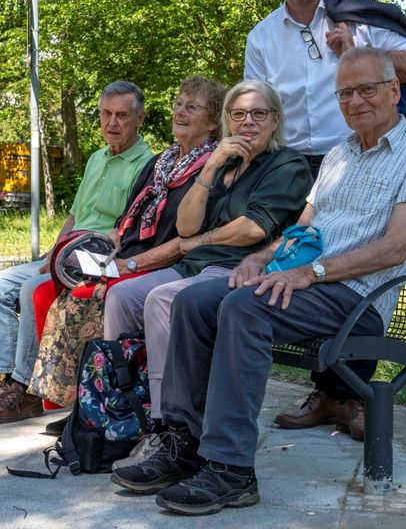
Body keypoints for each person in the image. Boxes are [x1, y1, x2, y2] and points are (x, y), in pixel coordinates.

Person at [111, 48, 406, 516]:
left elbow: (394, 248)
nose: (355, 101)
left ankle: (230, 470)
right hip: (308, 282)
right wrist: (260, 258)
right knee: (192, 300)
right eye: (345, 93)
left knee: (245, 309)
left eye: (366, 89)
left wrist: (311, 272)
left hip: (358, 297)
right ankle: (184, 442)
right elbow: (301, 229)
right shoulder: (339, 155)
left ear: (395, 90)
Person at [245, 0, 406, 428]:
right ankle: (326, 392)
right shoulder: (261, 37)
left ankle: (350, 395)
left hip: (359, 154)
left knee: (350, 262)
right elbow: (260, 106)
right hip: (291, 166)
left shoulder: (357, 16)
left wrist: (360, 50)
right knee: (294, 257)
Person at [105, 79, 312, 477]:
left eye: (258, 114)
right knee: (123, 296)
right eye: (238, 114)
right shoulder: (225, 165)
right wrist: (213, 166)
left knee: (162, 299)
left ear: (275, 120)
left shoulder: (286, 164)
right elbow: (185, 228)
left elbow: (253, 229)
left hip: (237, 269)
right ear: (226, 120)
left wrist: (200, 240)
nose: (247, 122)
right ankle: (126, 411)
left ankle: (172, 429)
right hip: (194, 266)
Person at [28, 75, 226, 418]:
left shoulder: (212, 169)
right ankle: (80, 408)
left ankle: (115, 404)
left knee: (84, 299)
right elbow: (123, 226)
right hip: (125, 256)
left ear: (212, 122)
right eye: (178, 103)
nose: (180, 111)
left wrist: (129, 266)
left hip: (158, 263)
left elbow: (185, 241)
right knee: (50, 289)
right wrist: (92, 258)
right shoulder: (162, 162)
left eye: (191, 107)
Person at [0, 81, 152, 424]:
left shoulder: (146, 165)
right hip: (66, 251)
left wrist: (66, 258)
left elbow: (123, 231)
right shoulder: (96, 158)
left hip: (94, 258)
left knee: (29, 290)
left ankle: (24, 390)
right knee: (1, 285)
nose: (112, 123)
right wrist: (53, 252)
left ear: (139, 119)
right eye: (106, 114)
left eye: (122, 116)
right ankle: (7, 376)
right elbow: (73, 215)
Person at [244, 0, 406, 178]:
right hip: (285, 167)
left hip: (360, 159)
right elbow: (255, 109)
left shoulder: (358, 17)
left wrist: (359, 55)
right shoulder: (260, 37)